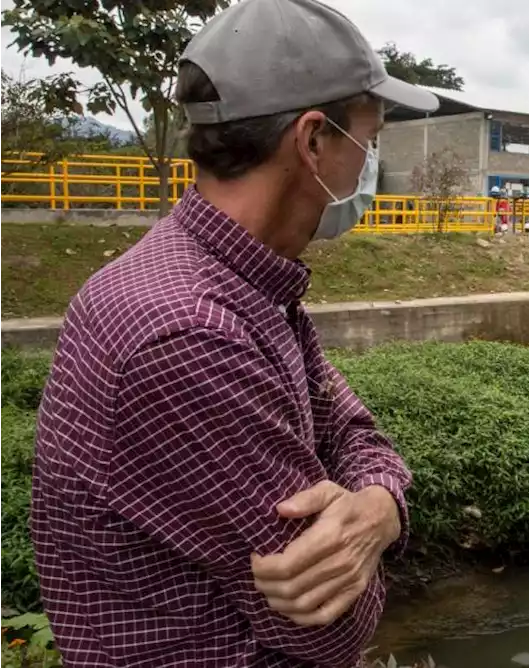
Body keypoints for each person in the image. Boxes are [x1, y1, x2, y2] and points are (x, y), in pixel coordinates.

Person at [27, 0, 438, 665]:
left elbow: (354, 430)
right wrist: (374, 522)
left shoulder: (245, 286)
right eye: (371, 136)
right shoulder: (188, 331)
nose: (369, 160)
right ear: (313, 141)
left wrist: (378, 505)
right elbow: (329, 627)